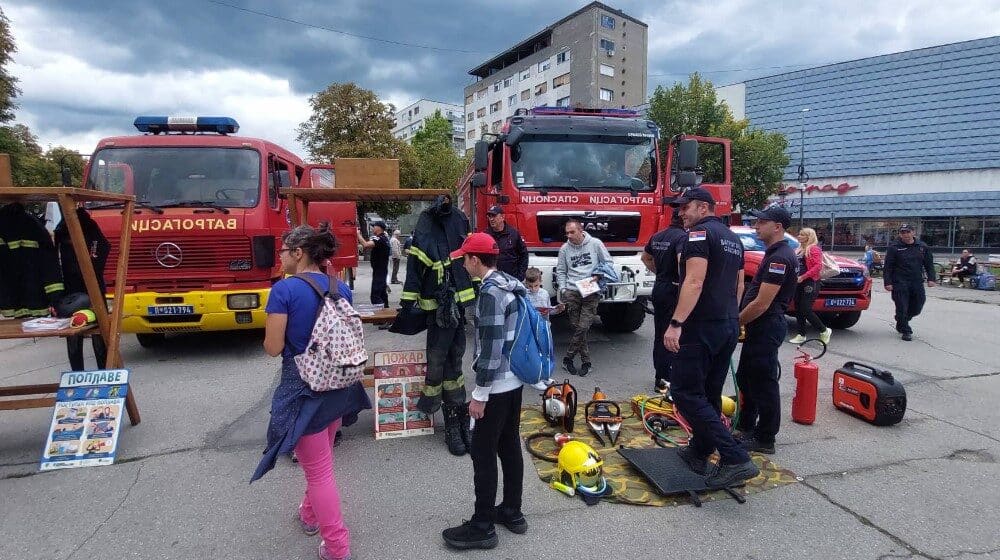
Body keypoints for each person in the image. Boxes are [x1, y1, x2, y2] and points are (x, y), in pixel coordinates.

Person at [252, 223, 371, 560]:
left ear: (298, 252)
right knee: (321, 461)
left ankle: (337, 547)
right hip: (340, 385)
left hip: (303, 390)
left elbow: (274, 348)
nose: (280, 256)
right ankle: (308, 514)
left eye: (283, 250)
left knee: (319, 472)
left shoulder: (284, 291)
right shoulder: (340, 287)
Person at [662, 188, 759, 488]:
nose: (680, 213)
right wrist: (732, 317)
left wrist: (676, 323)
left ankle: (734, 457)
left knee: (685, 392)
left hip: (701, 326)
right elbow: (739, 284)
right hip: (726, 322)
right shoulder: (733, 238)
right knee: (709, 392)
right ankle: (701, 450)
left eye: (685, 207)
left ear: (703, 207)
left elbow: (694, 280)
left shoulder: (698, 236)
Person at [442, 232, 527, 550]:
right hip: (514, 381)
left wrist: (479, 395)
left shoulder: (491, 292)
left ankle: (482, 526)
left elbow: (491, 348)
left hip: (496, 385)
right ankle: (512, 512)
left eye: (465, 258)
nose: (463, 264)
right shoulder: (509, 282)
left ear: (475, 260)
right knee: (509, 446)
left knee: (482, 451)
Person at [401, 194, 476, 455]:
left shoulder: (458, 219)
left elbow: (469, 259)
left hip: (457, 302)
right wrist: (408, 301)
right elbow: (415, 265)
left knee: (455, 359)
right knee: (439, 360)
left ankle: (458, 419)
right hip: (437, 306)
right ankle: (451, 422)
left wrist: (475, 291)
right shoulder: (426, 221)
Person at [735, 207, 798, 455]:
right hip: (760, 326)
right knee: (746, 378)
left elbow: (762, 303)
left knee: (763, 382)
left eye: (762, 222)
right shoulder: (774, 253)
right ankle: (747, 425)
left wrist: (737, 321)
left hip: (767, 324)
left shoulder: (780, 258)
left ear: (778, 227)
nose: (756, 226)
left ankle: (765, 437)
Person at [556, 218, 611, 377]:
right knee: (577, 328)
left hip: (591, 290)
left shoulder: (595, 244)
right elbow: (561, 271)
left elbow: (607, 262)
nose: (569, 236)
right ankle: (586, 362)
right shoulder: (564, 249)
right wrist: (564, 289)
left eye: (572, 232)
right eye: (567, 233)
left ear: (581, 231)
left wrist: (599, 275)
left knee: (583, 327)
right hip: (572, 291)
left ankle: (568, 358)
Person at [642, 209, 687, 389]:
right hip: (675, 288)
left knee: (660, 333)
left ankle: (659, 376)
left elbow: (645, 258)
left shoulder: (658, 236)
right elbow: (681, 263)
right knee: (674, 333)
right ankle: (669, 378)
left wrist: (659, 272)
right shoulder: (683, 238)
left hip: (660, 286)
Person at [884, 224, 936, 341]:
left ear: (913, 232)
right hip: (899, 282)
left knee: (918, 305)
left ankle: (902, 319)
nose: (905, 235)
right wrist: (888, 282)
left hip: (916, 281)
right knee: (902, 305)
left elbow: (929, 264)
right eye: (903, 232)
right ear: (899, 234)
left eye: (908, 232)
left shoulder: (922, 247)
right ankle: (906, 331)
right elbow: (888, 266)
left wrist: (931, 278)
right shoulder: (894, 247)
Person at [788, 228, 832, 345]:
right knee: (798, 308)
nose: (799, 236)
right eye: (799, 234)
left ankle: (824, 330)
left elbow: (817, 267)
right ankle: (801, 334)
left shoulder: (814, 249)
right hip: (798, 283)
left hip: (810, 282)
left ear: (809, 237)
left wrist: (803, 277)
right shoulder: (798, 249)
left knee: (805, 308)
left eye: (802, 235)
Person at [484, 205, 529, 281]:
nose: (491, 219)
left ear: (502, 217)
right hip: (492, 280)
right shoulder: (485, 235)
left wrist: (520, 276)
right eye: (489, 216)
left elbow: (523, 255)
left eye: (494, 216)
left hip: (511, 279)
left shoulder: (513, 234)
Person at [356, 221, 390, 308]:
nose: (372, 228)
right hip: (381, 270)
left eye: (374, 226)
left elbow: (366, 245)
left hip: (379, 271)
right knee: (382, 293)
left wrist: (358, 234)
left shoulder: (379, 238)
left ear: (379, 228)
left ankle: (380, 318)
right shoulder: (384, 238)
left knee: (375, 295)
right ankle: (385, 315)